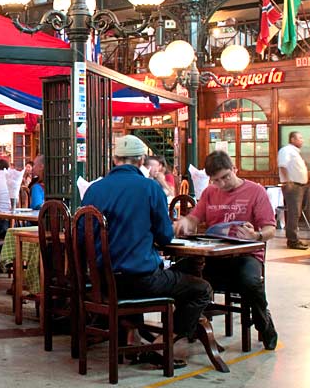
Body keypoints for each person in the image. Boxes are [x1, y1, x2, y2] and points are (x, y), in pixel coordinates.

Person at [82, 135, 212, 356]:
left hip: (102, 281)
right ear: (141, 160)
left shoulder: (95, 189)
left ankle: (134, 337)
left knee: (148, 272)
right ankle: (160, 346)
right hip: (140, 281)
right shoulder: (149, 188)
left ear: (115, 159)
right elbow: (164, 238)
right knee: (201, 289)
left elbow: (82, 236)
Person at [174, 150, 278, 350]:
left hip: (246, 255)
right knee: (176, 276)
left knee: (250, 282)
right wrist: (186, 222)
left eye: (226, 177)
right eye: (216, 180)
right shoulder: (210, 193)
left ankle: (263, 321)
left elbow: (270, 229)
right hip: (214, 257)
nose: (222, 184)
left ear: (234, 169)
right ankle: (189, 325)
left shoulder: (256, 191)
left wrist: (256, 236)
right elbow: (195, 217)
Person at [277, 131, 310, 250]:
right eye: (300, 138)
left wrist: (308, 174)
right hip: (293, 186)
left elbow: (295, 170)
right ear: (292, 139)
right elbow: (282, 165)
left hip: (299, 186)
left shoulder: (295, 153)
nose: (302, 140)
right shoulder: (287, 150)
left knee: (296, 213)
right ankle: (292, 240)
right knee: (294, 213)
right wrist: (288, 182)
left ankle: (294, 238)